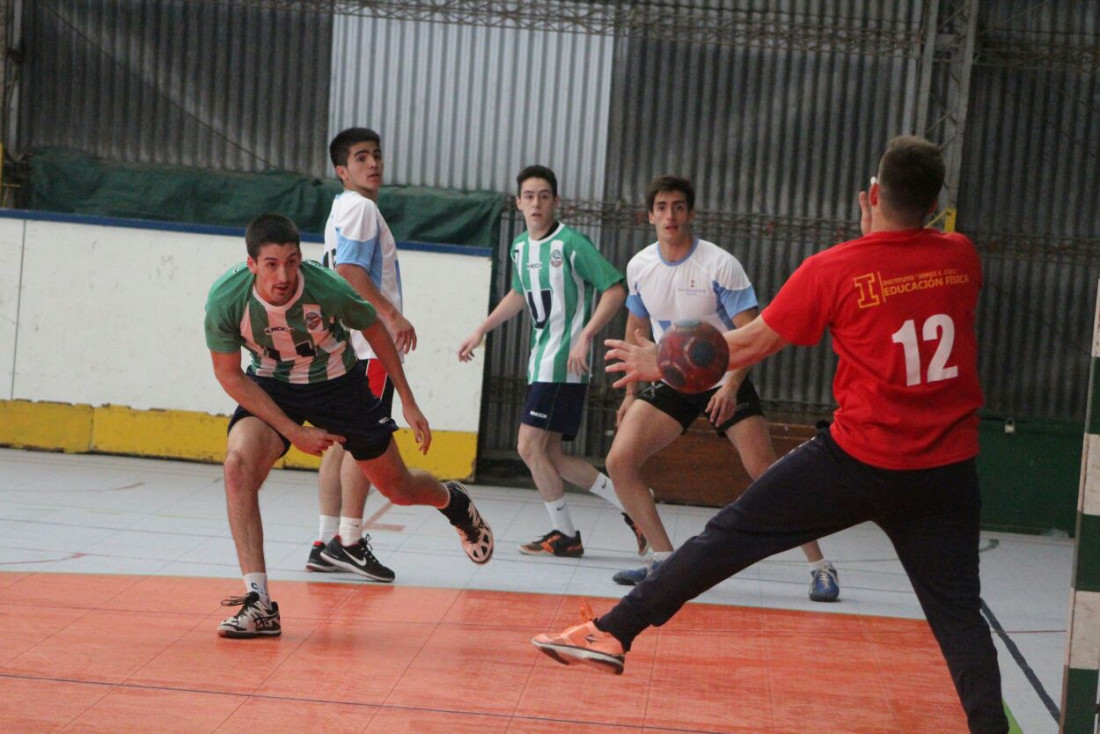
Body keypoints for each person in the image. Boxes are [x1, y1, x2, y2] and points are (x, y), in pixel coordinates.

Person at [532, 136, 1008, 734]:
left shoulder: (836, 268)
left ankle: (612, 632)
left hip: (857, 461)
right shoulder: (961, 255)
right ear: (936, 205)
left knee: (727, 538)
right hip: (945, 475)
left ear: (872, 196)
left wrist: (663, 362)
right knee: (961, 621)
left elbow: (750, 342)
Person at [205, 213, 493, 639]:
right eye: (271, 264)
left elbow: (375, 330)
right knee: (237, 466)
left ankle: (452, 501)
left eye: (291, 261)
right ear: (252, 265)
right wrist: (294, 431)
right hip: (274, 385)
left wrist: (408, 401)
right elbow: (230, 375)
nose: (283, 274)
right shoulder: (226, 300)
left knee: (399, 488)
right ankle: (259, 601)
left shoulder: (325, 287)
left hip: (339, 384)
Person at [606, 175, 839, 602]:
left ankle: (820, 566)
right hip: (671, 379)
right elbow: (636, 331)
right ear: (650, 215)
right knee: (619, 462)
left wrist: (731, 385)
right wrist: (630, 395)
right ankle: (662, 561)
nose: (670, 215)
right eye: (661, 207)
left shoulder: (719, 265)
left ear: (691, 214)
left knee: (766, 475)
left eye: (678, 207)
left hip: (724, 377)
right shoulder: (640, 267)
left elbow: (752, 333)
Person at [458, 165, 642, 558]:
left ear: (556, 202)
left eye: (544, 196)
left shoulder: (572, 244)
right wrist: (481, 329)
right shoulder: (521, 248)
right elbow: (519, 294)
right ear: (519, 202)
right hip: (540, 362)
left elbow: (614, 290)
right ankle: (634, 507)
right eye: (529, 196)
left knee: (528, 447)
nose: (536, 203)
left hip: (562, 365)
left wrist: (586, 335)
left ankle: (565, 534)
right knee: (551, 455)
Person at [304, 127, 414, 583]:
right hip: (367, 346)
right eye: (362, 157)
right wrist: (391, 315)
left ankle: (325, 540)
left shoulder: (340, 209)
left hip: (344, 346)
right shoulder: (363, 207)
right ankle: (348, 541)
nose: (374, 163)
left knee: (338, 441)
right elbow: (349, 271)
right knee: (364, 443)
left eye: (377, 155)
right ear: (342, 170)